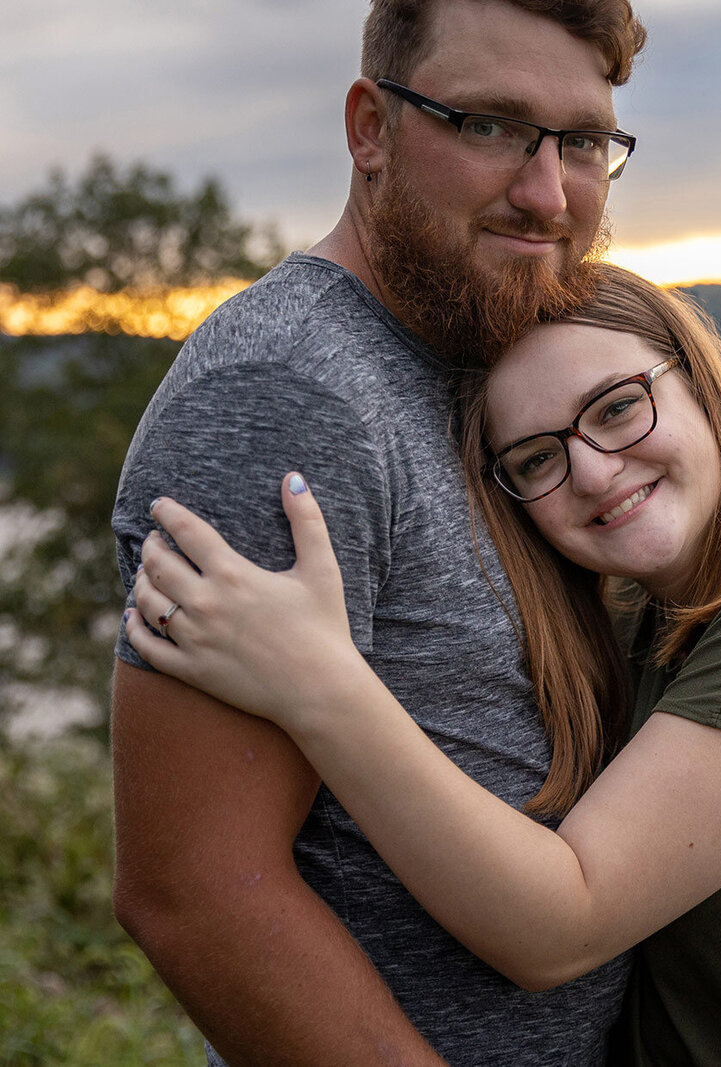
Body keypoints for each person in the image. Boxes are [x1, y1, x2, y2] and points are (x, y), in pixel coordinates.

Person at [126, 264, 721, 1066]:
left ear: (702, 380)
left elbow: (561, 928)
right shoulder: (648, 611)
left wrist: (316, 682)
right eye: (537, 457)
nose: (592, 469)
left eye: (617, 407)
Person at [110, 2, 647, 1063]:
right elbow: (195, 890)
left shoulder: (493, 353)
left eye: (581, 140)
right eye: (489, 124)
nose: (546, 195)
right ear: (371, 129)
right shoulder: (285, 397)